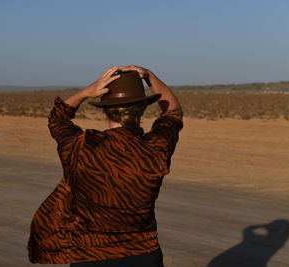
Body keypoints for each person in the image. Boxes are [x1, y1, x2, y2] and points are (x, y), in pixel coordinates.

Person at [27, 65, 183, 267]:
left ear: (106, 109)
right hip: (144, 256)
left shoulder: (81, 147)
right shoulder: (156, 148)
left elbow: (57, 119)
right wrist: (150, 76)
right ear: (142, 108)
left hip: (90, 257)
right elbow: (174, 111)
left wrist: (86, 92)